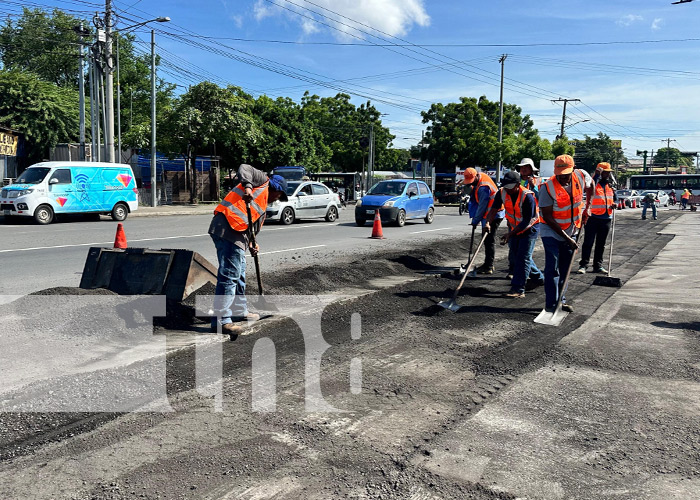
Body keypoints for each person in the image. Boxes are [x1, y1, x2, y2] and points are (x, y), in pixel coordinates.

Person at [209, 164, 288, 337]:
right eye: (279, 196)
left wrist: (253, 243)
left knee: (240, 272)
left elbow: (250, 227)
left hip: (236, 234)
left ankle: (238, 310)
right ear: (277, 189)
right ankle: (221, 320)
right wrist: (248, 187)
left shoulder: (262, 206)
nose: (277, 200)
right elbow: (244, 168)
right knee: (230, 274)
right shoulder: (262, 181)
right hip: (227, 228)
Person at [485, 171, 544, 298]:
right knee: (519, 256)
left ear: (518, 184)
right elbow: (494, 209)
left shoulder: (527, 196)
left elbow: (527, 220)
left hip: (529, 228)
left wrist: (510, 234)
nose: (508, 190)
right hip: (514, 227)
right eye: (506, 187)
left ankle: (518, 289)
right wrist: (488, 223)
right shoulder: (501, 192)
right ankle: (539, 277)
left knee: (523, 258)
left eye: (510, 187)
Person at [539, 154, 585, 313]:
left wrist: (589, 208)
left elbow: (592, 184)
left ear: (573, 170)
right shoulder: (547, 188)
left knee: (566, 267)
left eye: (566, 174)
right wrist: (567, 238)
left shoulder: (580, 177)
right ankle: (551, 303)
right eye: (560, 175)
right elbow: (547, 216)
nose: (564, 178)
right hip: (550, 230)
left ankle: (561, 300)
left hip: (572, 229)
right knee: (553, 268)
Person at [463, 167, 505, 274]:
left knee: (488, 239)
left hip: (495, 214)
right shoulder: (481, 177)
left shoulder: (483, 188)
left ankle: (489, 266)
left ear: (476, 176)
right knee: (487, 239)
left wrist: (475, 221)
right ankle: (488, 264)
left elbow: (482, 207)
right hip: (490, 213)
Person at [577, 162, 617, 274]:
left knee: (601, 244)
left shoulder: (610, 185)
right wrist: (596, 175)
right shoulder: (594, 183)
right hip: (592, 217)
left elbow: (614, 198)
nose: (608, 174)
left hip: (606, 218)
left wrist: (614, 204)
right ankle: (584, 265)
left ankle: (597, 265)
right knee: (588, 242)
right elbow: (589, 187)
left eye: (609, 172)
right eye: (606, 172)